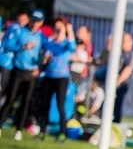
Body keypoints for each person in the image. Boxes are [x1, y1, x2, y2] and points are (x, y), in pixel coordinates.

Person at [0, 9, 45, 140]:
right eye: (33, 20)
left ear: (41, 23)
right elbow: (7, 46)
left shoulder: (41, 37)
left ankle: (18, 129)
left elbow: (44, 54)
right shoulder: (20, 31)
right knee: (10, 99)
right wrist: (22, 47)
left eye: (37, 21)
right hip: (18, 70)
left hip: (31, 73)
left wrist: (40, 67)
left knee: (26, 102)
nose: (34, 23)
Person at [39, 16, 77, 142]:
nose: (58, 28)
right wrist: (44, 60)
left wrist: (69, 29)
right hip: (48, 76)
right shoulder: (49, 42)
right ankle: (42, 131)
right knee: (45, 104)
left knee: (60, 105)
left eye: (60, 26)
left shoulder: (66, 43)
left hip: (61, 78)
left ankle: (62, 133)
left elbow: (73, 46)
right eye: (56, 26)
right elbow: (44, 59)